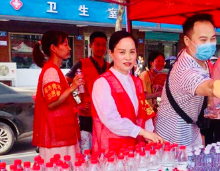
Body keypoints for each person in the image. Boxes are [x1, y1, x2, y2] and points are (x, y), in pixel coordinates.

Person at [155, 13, 220, 147]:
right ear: (187, 41)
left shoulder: (201, 59)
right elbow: (210, 86)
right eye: (203, 40)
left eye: (212, 38)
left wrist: (209, 102)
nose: (209, 44)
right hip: (173, 134)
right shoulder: (184, 69)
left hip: (192, 129)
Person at [92, 31, 163, 153]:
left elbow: (144, 111)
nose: (128, 57)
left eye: (132, 52)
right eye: (122, 52)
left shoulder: (137, 82)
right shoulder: (102, 83)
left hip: (135, 148)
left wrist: (150, 134)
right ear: (111, 53)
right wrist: (143, 132)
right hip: (111, 151)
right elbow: (111, 120)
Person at [33, 30, 81, 162]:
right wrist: (72, 87)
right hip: (56, 136)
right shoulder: (51, 71)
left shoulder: (54, 70)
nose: (69, 48)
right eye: (65, 44)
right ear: (53, 48)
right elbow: (52, 103)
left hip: (61, 133)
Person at [66, 31, 110, 135]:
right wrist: (76, 104)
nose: (101, 48)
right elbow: (64, 83)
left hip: (107, 116)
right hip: (87, 116)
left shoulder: (110, 67)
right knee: (87, 144)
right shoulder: (81, 64)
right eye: (97, 44)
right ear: (90, 45)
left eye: (104, 45)